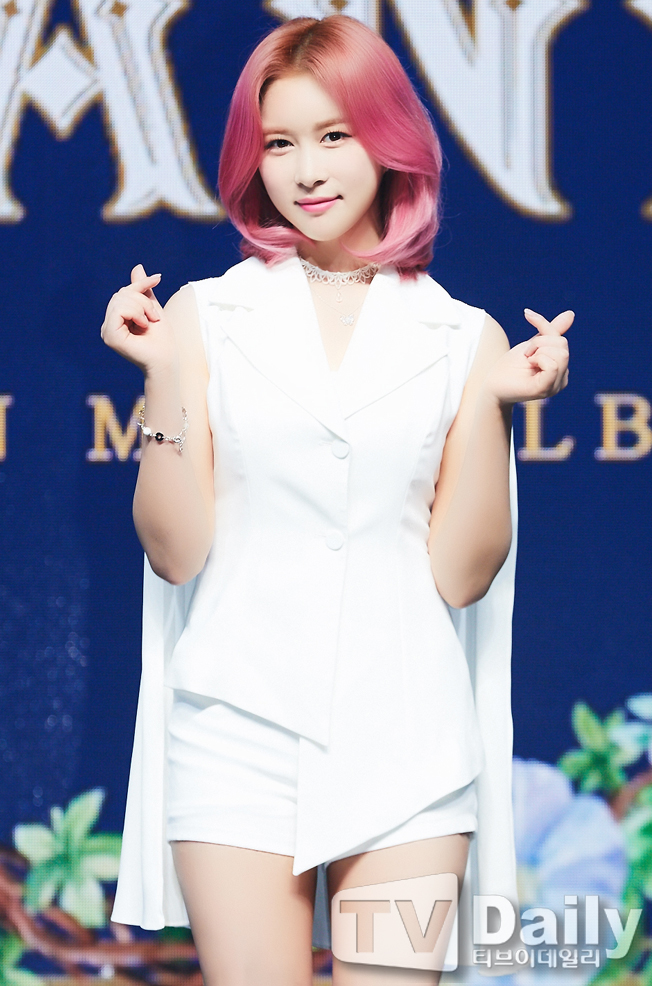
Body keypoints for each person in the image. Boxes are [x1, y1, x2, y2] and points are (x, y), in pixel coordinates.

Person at [102, 14, 571, 986]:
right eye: (279, 143)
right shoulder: (206, 317)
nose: (306, 170)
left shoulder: (463, 338)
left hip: (409, 739)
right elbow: (175, 551)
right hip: (236, 727)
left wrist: (492, 406)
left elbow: (461, 574)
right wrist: (163, 375)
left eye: (334, 135)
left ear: (389, 141)